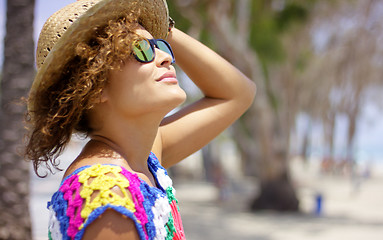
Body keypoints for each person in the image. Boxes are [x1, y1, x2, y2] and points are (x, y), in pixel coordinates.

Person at [24, 0, 256, 239]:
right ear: (92, 85)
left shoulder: (141, 156)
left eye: (161, 45)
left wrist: (163, 27)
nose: (166, 57)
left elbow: (238, 94)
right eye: (142, 49)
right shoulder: (107, 195)